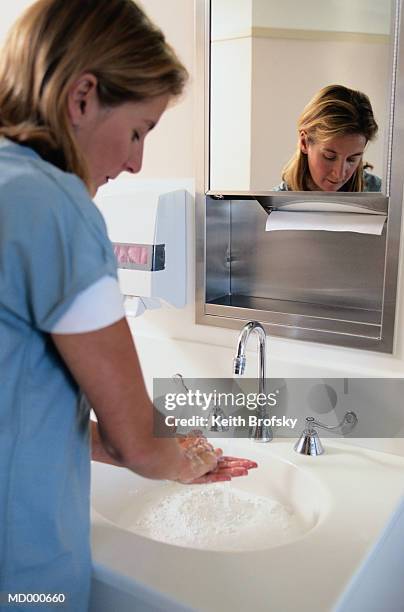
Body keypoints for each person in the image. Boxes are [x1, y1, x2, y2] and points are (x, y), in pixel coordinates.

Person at [0, 1, 257, 610]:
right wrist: (181, 461)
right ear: (82, 96)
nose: (137, 161)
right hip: (23, 577)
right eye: (139, 130)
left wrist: (105, 440)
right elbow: (140, 441)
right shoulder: (57, 210)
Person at [273, 84, 382, 192]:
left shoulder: (383, 195)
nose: (339, 174)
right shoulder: (269, 208)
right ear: (304, 143)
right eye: (329, 157)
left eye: (351, 159)